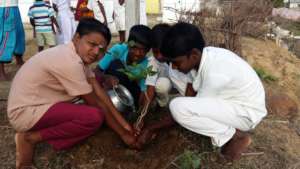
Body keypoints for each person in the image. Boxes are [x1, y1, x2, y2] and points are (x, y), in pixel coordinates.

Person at [7, 18, 136, 169]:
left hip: (35, 105)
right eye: (92, 44)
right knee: (93, 117)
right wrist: (123, 135)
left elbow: (100, 93)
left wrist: (127, 127)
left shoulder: (76, 57)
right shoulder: (70, 61)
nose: (96, 52)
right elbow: (98, 104)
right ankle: (30, 138)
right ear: (76, 38)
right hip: (24, 112)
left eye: (101, 49)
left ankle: (34, 141)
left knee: (90, 106)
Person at [159, 22, 267, 161]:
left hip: (245, 112)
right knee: (175, 75)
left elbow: (191, 109)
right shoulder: (205, 55)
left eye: (177, 62)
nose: (174, 66)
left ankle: (233, 136)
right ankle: (227, 130)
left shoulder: (215, 72)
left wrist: (153, 128)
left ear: (193, 55)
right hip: (230, 100)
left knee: (177, 107)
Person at [94, 24, 152, 108]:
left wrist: (140, 112)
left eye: (143, 50)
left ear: (148, 50)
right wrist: (106, 77)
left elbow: (143, 91)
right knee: (116, 65)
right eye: (135, 48)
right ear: (129, 44)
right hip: (110, 86)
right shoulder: (118, 50)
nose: (137, 53)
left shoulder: (146, 65)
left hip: (128, 93)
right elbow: (97, 71)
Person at [0, 0, 25, 80]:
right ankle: (1, 73)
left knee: (19, 33)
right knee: (6, 38)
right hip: (5, 7)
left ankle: (19, 60)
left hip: (13, 7)